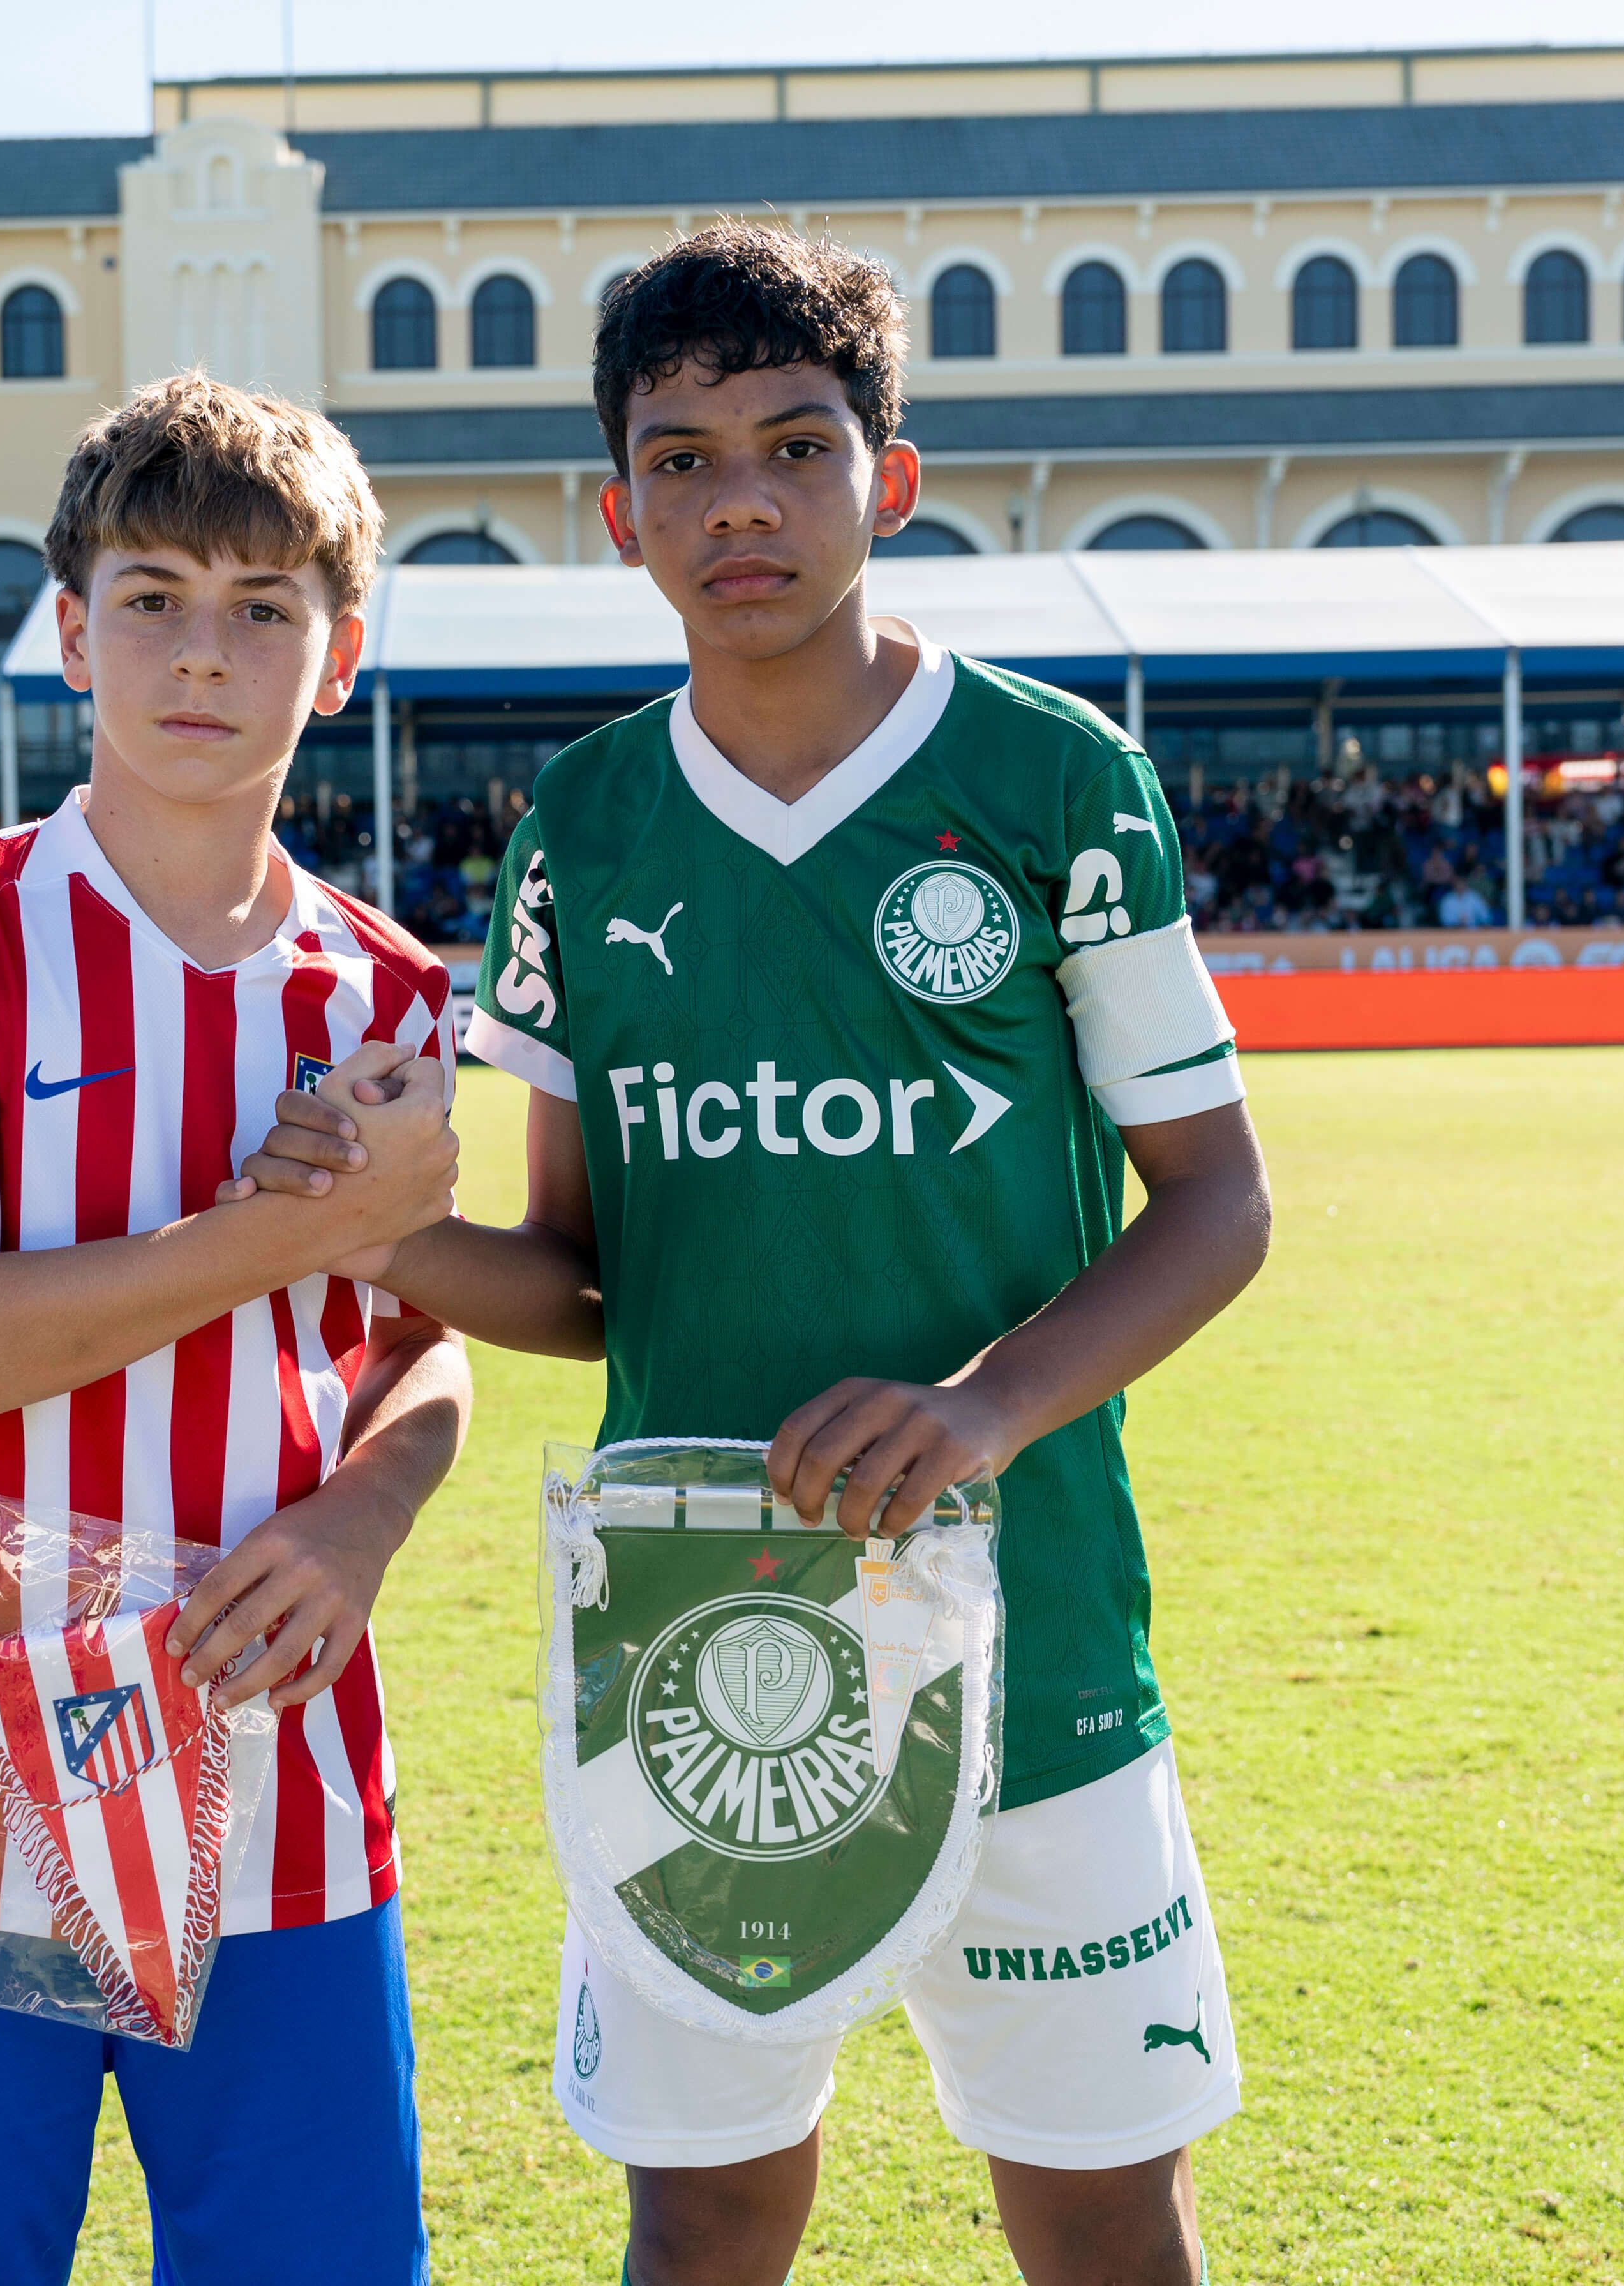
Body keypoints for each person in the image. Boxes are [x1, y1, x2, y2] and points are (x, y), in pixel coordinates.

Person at [242, 224, 1270, 2286]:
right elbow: (579, 1280)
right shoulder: (592, 826)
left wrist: (982, 1409)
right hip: (693, 1641)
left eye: (797, 447)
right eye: (686, 458)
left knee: (1098, 2215)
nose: (743, 502)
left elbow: (1218, 1206)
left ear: (890, 479)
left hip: (1038, 1638)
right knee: (706, 2210)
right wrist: (380, 1237)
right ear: (622, 516)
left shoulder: (1056, 779)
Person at [0, 374, 470, 2286]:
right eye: (156, 595)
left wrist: (364, 1516)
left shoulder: (387, 985)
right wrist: (276, 1231)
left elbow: (409, 1336)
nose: (207, 652)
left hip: (285, 1792)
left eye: (266, 609)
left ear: (337, 658)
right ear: (75, 630)